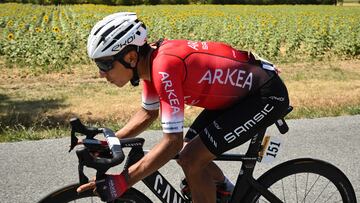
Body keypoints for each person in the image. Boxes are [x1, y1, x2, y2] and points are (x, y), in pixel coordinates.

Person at [77, 12, 289, 203]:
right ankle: (224, 191)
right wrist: (110, 142)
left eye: (105, 65)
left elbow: (172, 142)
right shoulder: (149, 66)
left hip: (265, 96)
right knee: (187, 153)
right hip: (238, 94)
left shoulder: (164, 68)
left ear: (131, 57)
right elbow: (147, 113)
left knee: (191, 158)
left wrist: (124, 181)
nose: (101, 74)